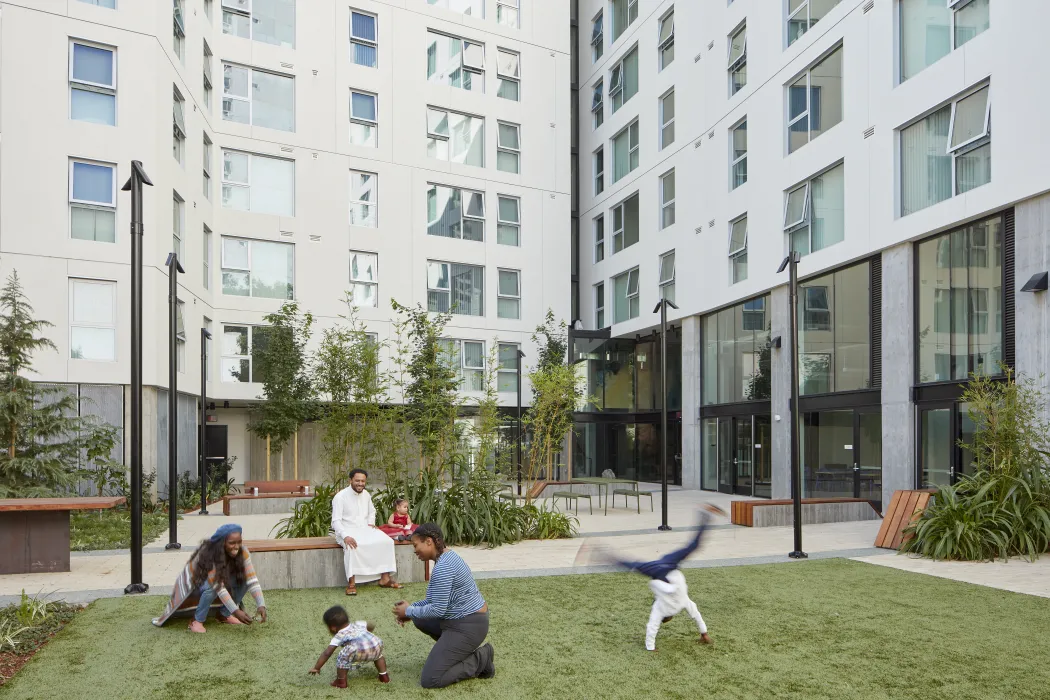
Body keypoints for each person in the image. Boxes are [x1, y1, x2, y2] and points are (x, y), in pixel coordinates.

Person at [584, 504, 724, 651]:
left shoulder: (669, 605)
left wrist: (704, 633)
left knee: (692, 547)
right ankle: (705, 514)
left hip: (665, 566)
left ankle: (705, 515)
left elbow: (659, 622)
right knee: (631, 563)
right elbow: (658, 617)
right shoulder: (665, 605)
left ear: (669, 616)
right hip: (664, 565)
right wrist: (704, 633)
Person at [392, 523, 495, 689]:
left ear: (429, 542)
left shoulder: (444, 567)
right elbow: (434, 601)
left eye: (416, 545)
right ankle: (456, 652)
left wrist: (409, 610)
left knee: (431, 679)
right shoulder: (445, 558)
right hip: (460, 620)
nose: (415, 550)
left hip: (469, 625)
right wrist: (411, 611)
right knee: (420, 619)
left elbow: (438, 609)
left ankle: (481, 659)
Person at [151, 523, 267, 632]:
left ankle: (223, 615)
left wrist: (261, 604)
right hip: (198, 585)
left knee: (245, 581)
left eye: (239, 542)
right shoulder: (211, 554)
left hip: (221, 582)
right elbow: (218, 587)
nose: (236, 546)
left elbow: (252, 579)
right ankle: (196, 620)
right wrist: (236, 611)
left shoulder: (244, 552)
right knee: (212, 588)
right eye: (232, 543)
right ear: (222, 542)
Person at [332, 468, 402, 595]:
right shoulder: (340, 497)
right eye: (357, 480)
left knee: (386, 541)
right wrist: (345, 536)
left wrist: (371, 524)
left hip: (365, 529)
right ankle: (352, 584)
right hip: (346, 530)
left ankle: (385, 579)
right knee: (352, 545)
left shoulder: (366, 495)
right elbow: (335, 521)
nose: (360, 483)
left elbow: (372, 511)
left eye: (363, 481)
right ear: (350, 480)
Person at [309, 605, 390, 687]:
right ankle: (384, 676)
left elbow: (327, 653)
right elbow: (371, 625)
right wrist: (366, 634)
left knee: (342, 657)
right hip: (376, 645)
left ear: (332, 628)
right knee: (379, 656)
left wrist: (317, 668)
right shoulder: (358, 624)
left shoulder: (338, 636)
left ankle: (341, 681)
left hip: (358, 651)